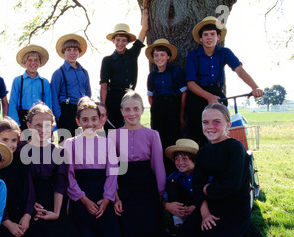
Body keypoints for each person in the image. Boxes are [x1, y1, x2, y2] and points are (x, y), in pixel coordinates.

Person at [174, 104, 269, 237]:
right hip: (210, 207)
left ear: (228, 124)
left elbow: (231, 185)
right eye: (206, 122)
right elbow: (197, 186)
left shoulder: (235, 148)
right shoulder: (203, 152)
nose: (210, 126)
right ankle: (230, 235)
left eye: (216, 121)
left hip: (233, 209)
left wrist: (207, 189)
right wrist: (204, 214)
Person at [185, 16, 263, 147]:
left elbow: (239, 70)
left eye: (212, 34)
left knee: (220, 132)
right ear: (200, 39)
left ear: (218, 37)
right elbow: (191, 83)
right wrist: (208, 97)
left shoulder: (224, 53)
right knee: (197, 135)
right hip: (198, 96)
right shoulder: (193, 55)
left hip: (217, 94)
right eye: (205, 35)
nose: (209, 38)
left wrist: (255, 87)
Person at [23, 104, 86, 237]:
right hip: (25, 201)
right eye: (37, 125)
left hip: (50, 200)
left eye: (47, 125)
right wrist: (29, 208)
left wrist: (56, 212)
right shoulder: (19, 150)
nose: (42, 129)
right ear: (28, 125)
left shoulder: (59, 152)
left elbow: (60, 183)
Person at [108, 90, 166, 237]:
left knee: (151, 228)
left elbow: (158, 165)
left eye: (136, 108)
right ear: (121, 111)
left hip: (146, 184)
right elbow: (112, 168)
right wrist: (115, 195)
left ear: (142, 110)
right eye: (127, 109)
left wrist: (160, 193)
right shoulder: (113, 135)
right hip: (125, 183)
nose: (132, 113)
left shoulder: (152, 134)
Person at [64, 97, 120, 237]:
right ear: (78, 121)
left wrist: (107, 198)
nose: (90, 124)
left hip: (101, 192)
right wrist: (84, 200)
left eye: (94, 119)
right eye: (85, 120)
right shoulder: (70, 143)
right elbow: (69, 175)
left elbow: (112, 173)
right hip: (81, 194)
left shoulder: (107, 143)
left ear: (100, 120)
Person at [0, 118, 44, 237]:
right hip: (0, 217)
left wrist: (27, 215)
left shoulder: (23, 160)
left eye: (14, 140)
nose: (9, 144)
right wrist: (7, 223)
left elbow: (30, 191)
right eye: (4, 140)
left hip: (21, 212)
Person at [100, 2, 149, 131]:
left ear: (127, 42)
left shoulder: (132, 54)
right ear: (113, 41)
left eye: (123, 40)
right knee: (112, 132)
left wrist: (145, 8)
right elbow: (104, 86)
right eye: (118, 40)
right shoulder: (107, 60)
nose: (120, 43)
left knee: (129, 131)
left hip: (130, 98)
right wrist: (103, 107)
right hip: (113, 100)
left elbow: (144, 30)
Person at [146, 39, 187, 175]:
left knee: (172, 140)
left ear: (168, 56)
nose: (159, 58)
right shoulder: (151, 76)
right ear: (153, 58)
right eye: (156, 55)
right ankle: (159, 172)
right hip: (158, 109)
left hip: (173, 108)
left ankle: (173, 173)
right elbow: (150, 96)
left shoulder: (176, 72)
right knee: (158, 141)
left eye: (162, 55)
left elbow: (183, 93)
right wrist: (157, 110)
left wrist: (181, 115)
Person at [51, 34, 91, 140]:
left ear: (79, 52)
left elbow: (88, 93)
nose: (72, 53)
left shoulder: (84, 72)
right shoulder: (58, 73)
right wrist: (59, 116)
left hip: (82, 111)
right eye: (69, 50)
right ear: (63, 52)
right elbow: (54, 96)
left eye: (75, 50)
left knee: (83, 142)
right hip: (66, 111)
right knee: (66, 144)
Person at [8, 45, 52, 131]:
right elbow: (13, 104)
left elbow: (48, 105)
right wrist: (16, 125)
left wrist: (50, 127)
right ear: (24, 63)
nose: (33, 63)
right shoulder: (18, 81)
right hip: (22, 119)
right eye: (30, 60)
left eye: (36, 60)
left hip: (40, 119)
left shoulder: (44, 82)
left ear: (40, 63)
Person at [163, 138, 199, 237]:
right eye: (177, 159)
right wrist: (168, 205)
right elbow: (166, 195)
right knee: (172, 184)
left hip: (198, 206)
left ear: (194, 160)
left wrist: (197, 206)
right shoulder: (174, 177)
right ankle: (178, 223)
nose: (180, 162)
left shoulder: (202, 175)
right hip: (181, 206)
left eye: (185, 158)